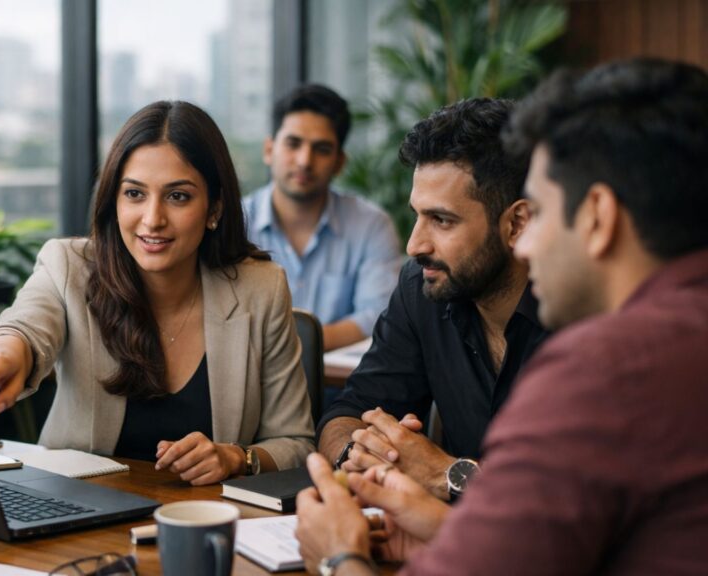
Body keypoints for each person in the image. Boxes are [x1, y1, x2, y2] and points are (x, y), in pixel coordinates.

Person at [295, 58, 708, 575]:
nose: (530, 244)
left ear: (598, 217)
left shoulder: (609, 364)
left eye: (544, 213)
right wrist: (448, 533)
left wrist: (338, 555)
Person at [0, 101, 315, 485]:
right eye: (135, 194)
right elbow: (25, 325)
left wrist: (235, 457)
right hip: (76, 512)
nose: (152, 219)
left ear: (214, 209)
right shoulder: (69, 266)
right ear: (114, 200)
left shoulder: (261, 288)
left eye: (178, 196)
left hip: (200, 520)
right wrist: (6, 347)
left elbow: (296, 442)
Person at [318, 98, 548, 500]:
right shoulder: (422, 286)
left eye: (442, 220)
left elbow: (583, 501)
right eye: (417, 215)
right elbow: (347, 413)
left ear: (517, 224)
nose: (414, 244)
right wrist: (361, 456)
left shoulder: (587, 312)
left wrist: (449, 474)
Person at [243, 84, 401, 352]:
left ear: (340, 162)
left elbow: (379, 315)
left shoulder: (371, 226)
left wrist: (287, 348)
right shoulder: (236, 223)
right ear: (269, 150)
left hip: (340, 391)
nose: (305, 160)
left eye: (322, 149)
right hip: (253, 390)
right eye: (293, 144)